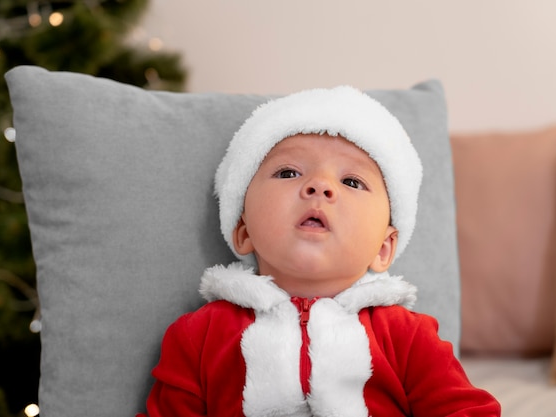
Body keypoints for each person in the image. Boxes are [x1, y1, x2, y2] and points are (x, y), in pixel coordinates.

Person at [139, 86, 501, 416]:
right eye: (288, 173)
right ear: (243, 230)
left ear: (384, 248)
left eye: (351, 181)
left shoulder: (407, 337)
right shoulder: (199, 336)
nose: (320, 187)